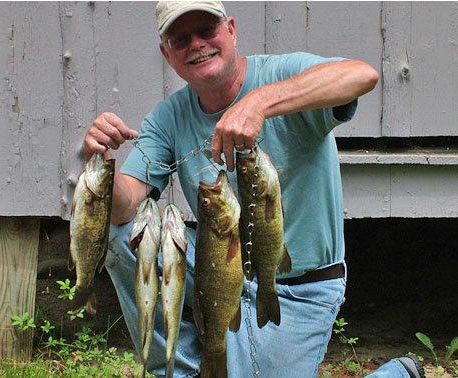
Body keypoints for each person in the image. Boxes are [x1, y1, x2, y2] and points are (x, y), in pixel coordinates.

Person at [82, 2, 424, 377]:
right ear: (168, 54)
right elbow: (124, 208)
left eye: (207, 30)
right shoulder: (168, 118)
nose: (197, 43)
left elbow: (362, 75)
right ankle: (183, 371)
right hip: (219, 264)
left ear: (231, 30)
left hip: (297, 287)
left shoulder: (281, 74)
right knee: (120, 233)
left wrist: (260, 102)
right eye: (182, 38)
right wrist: (100, 164)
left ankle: (398, 374)